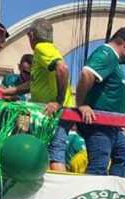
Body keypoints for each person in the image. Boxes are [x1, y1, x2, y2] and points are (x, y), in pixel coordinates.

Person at [76, 27, 125, 176]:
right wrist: (81, 104)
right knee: (98, 165)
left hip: (111, 125)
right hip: (99, 124)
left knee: (123, 155)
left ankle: (112, 186)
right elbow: (87, 74)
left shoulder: (114, 61)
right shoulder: (106, 54)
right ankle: (94, 188)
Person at [15, 18, 75, 172]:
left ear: (31, 35)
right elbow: (33, 84)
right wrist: (8, 91)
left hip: (54, 112)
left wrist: (58, 101)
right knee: (45, 150)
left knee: (55, 152)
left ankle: (57, 184)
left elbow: (62, 68)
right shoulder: (46, 51)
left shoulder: (42, 47)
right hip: (47, 112)